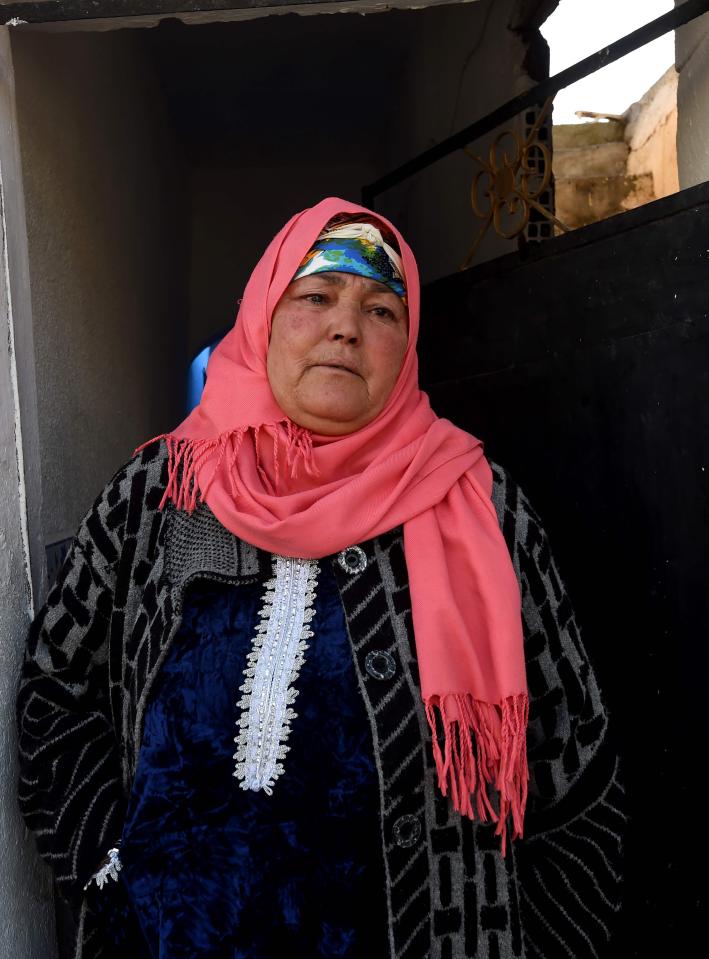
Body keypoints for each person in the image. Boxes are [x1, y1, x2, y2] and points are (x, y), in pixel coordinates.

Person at [17, 197, 625, 959]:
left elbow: (578, 762)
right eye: (315, 297)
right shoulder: (160, 489)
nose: (346, 326)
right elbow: (55, 690)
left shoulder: (481, 504)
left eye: (381, 309)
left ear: (406, 349)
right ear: (263, 316)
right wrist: (109, 869)